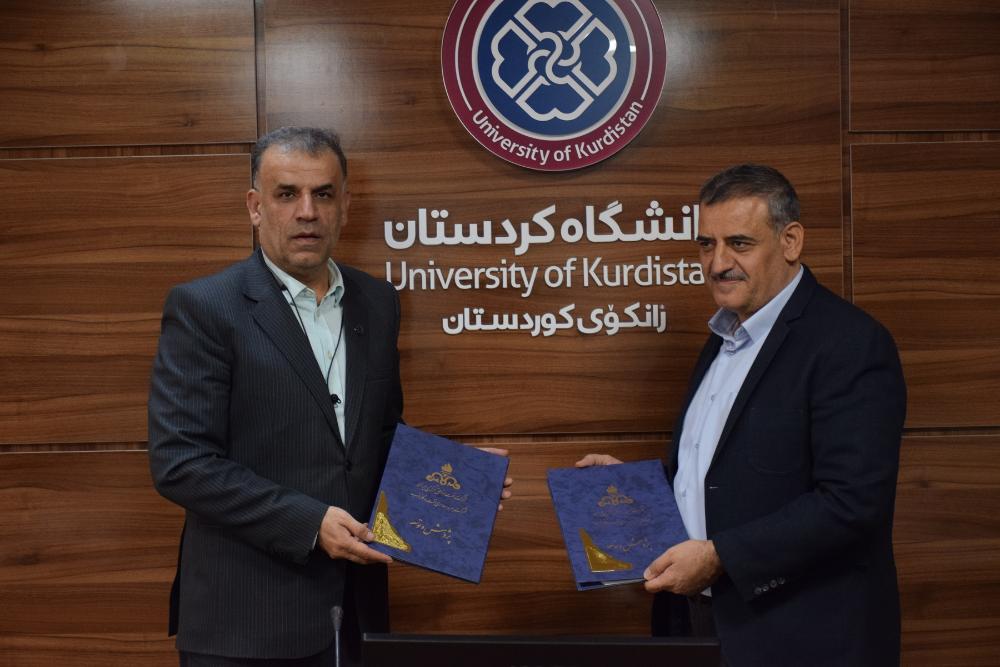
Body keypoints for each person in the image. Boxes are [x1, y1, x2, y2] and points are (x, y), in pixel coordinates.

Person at [149, 126, 510, 666]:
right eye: (286, 194)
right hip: (244, 622)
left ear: (345, 206)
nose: (307, 212)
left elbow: (378, 436)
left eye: (323, 194)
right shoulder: (206, 307)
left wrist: (455, 478)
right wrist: (308, 522)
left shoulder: (378, 302)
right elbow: (181, 462)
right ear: (255, 207)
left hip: (355, 614)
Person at [578, 164, 906, 666]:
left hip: (801, 639)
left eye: (739, 243)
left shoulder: (850, 343)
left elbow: (852, 503)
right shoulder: (724, 337)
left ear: (791, 241)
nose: (717, 263)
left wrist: (719, 558)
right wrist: (635, 492)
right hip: (702, 625)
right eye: (706, 244)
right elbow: (724, 476)